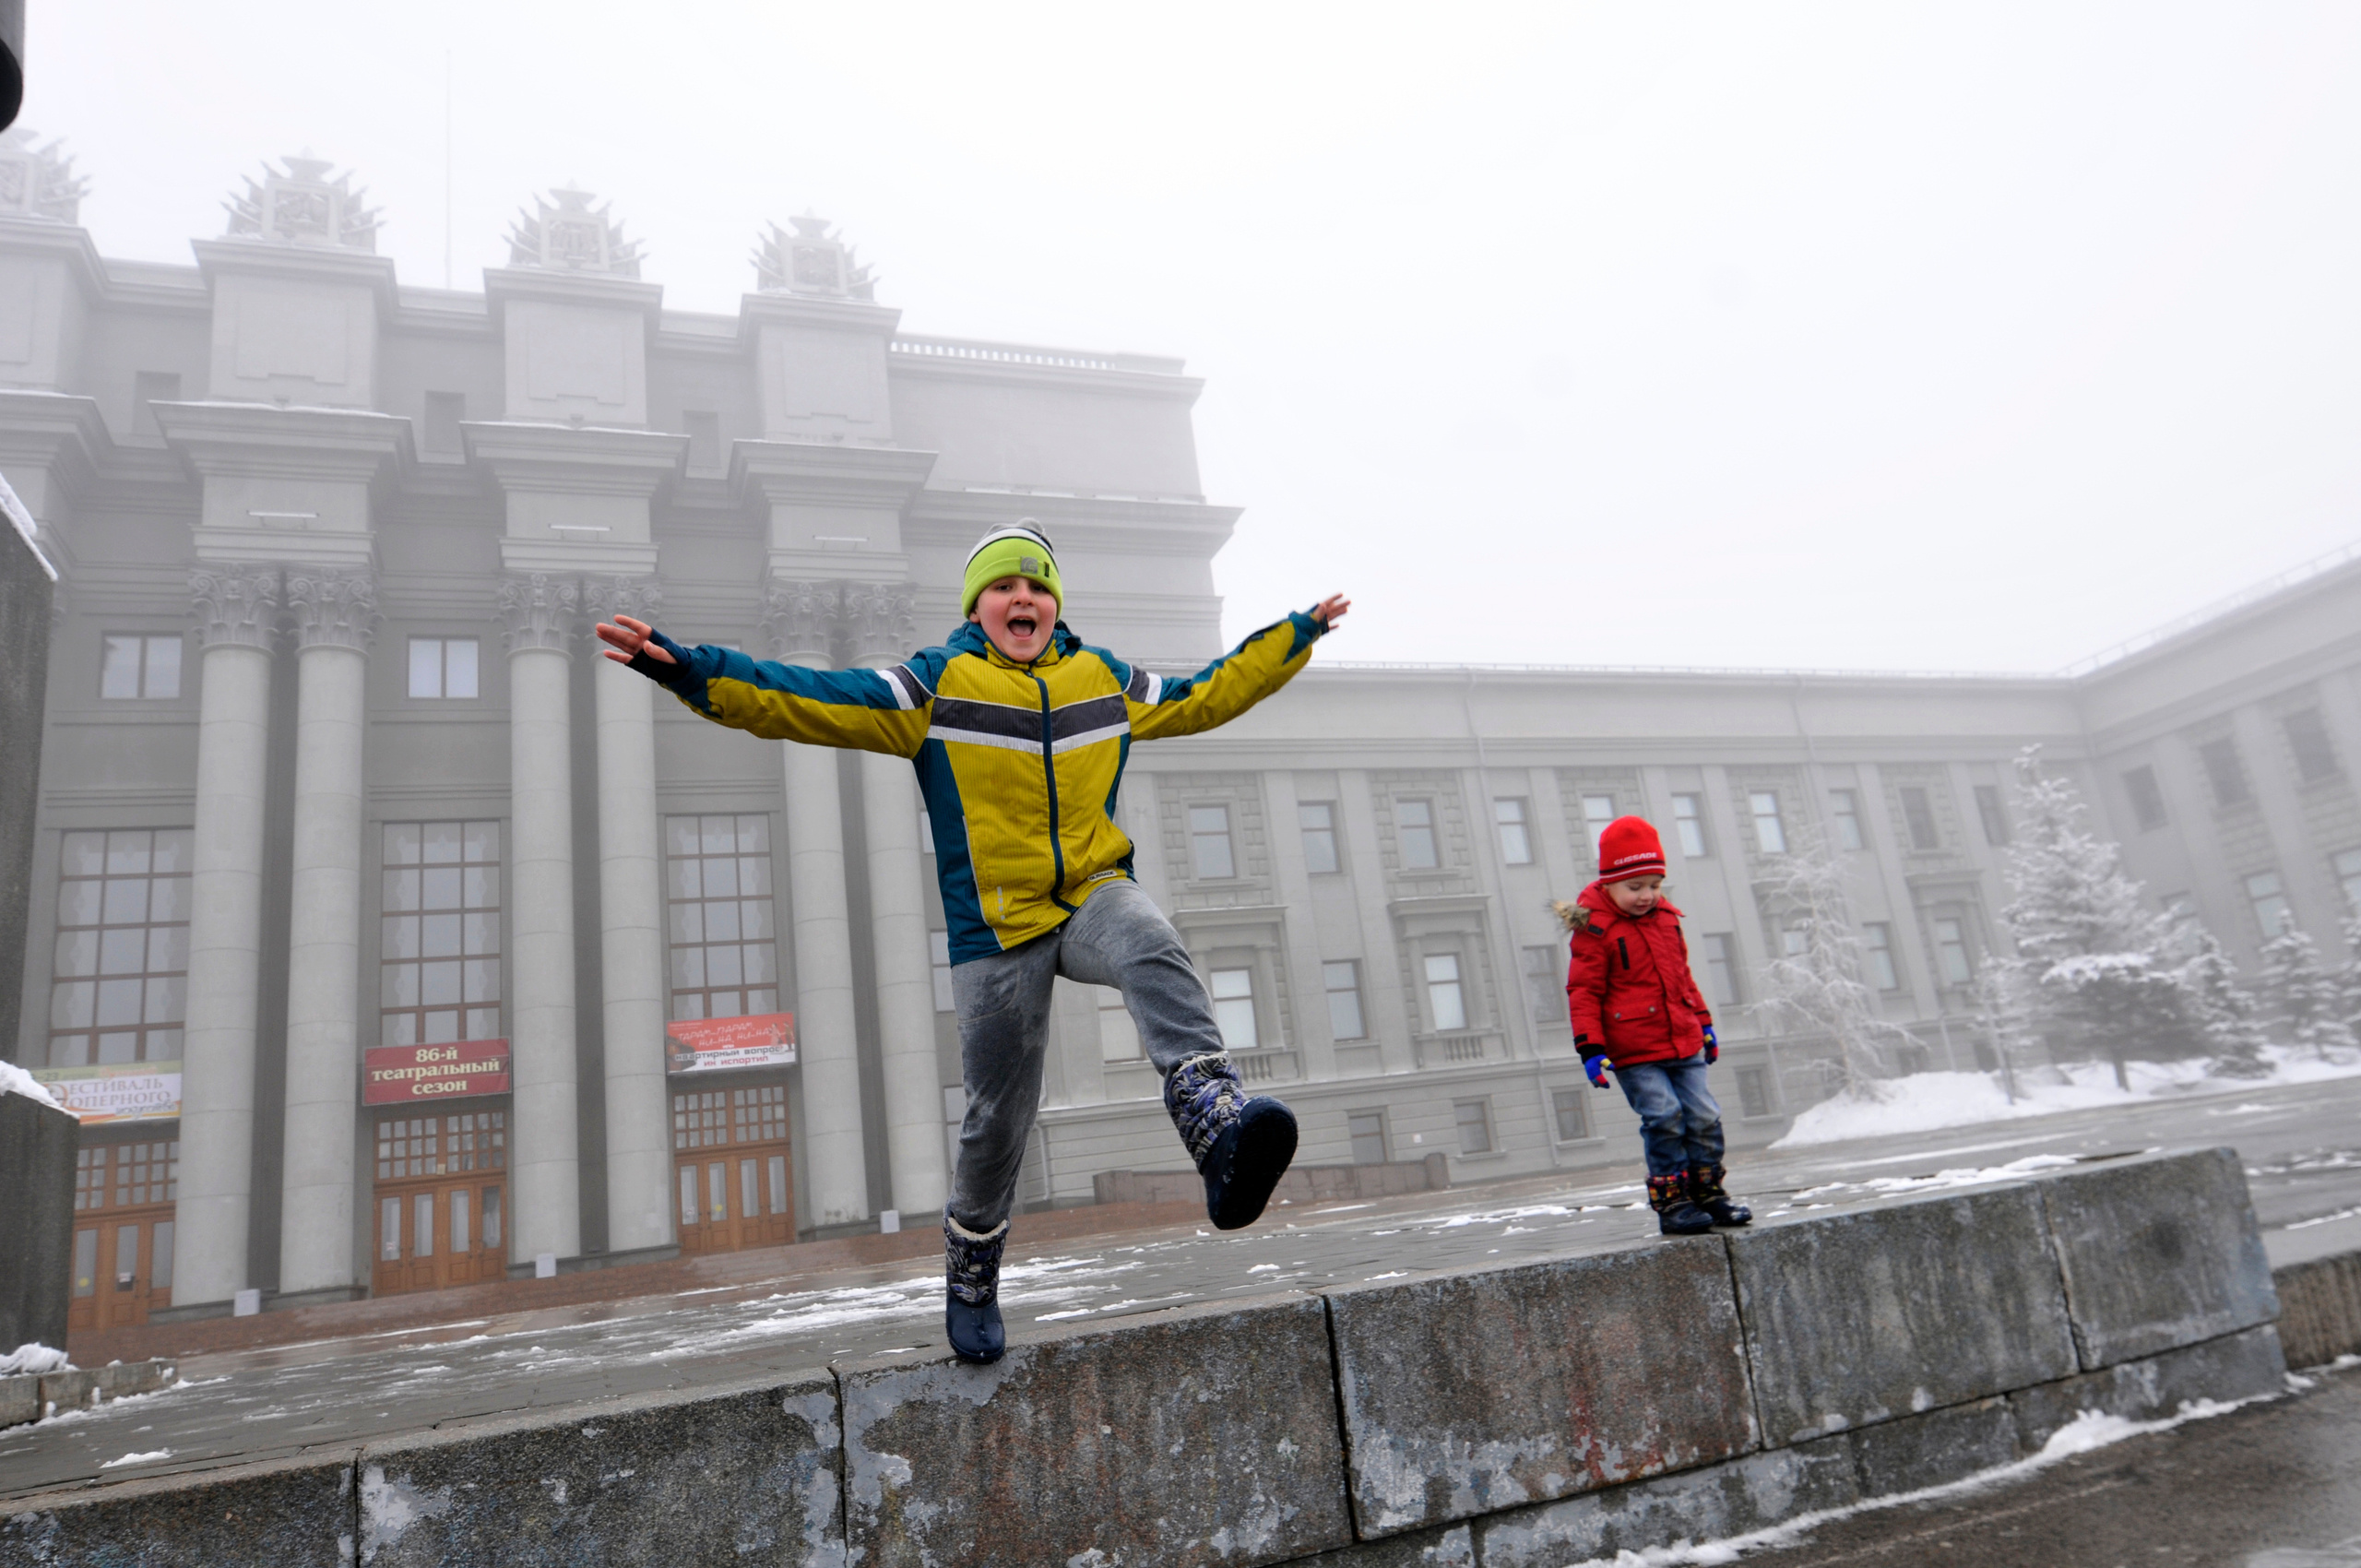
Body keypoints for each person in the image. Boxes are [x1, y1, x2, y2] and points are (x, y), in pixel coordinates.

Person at [596, 520, 1349, 1363]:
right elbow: (809, 696)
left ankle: (1216, 1125)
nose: (1021, 597)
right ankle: (972, 1271)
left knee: (1150, 941)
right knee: (996, 1119)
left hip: (1090, 893)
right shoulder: (934, 686)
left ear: (1055, 605)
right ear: (977, 607)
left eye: (1036, 585)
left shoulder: (1104, 680)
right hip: (995, 928)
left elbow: (1205, 693)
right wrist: (696, 671)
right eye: (1003, 586)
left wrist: (1295, 636)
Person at [1555, 815, 1751, 1237]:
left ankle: (1709, 1194)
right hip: (1634, 1049)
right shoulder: (1595, 929)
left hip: (1683, 1039)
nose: (1647, 896)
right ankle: (1673, 1203)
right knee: (1665, 1115)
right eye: (1635, 887)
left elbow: (1682, 977)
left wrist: (1704, 1024)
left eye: (1654, 885)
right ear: (1608, 884)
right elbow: (1583, 990)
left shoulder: (1666, 918)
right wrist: (1589, 1048)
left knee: (1703, 1114)